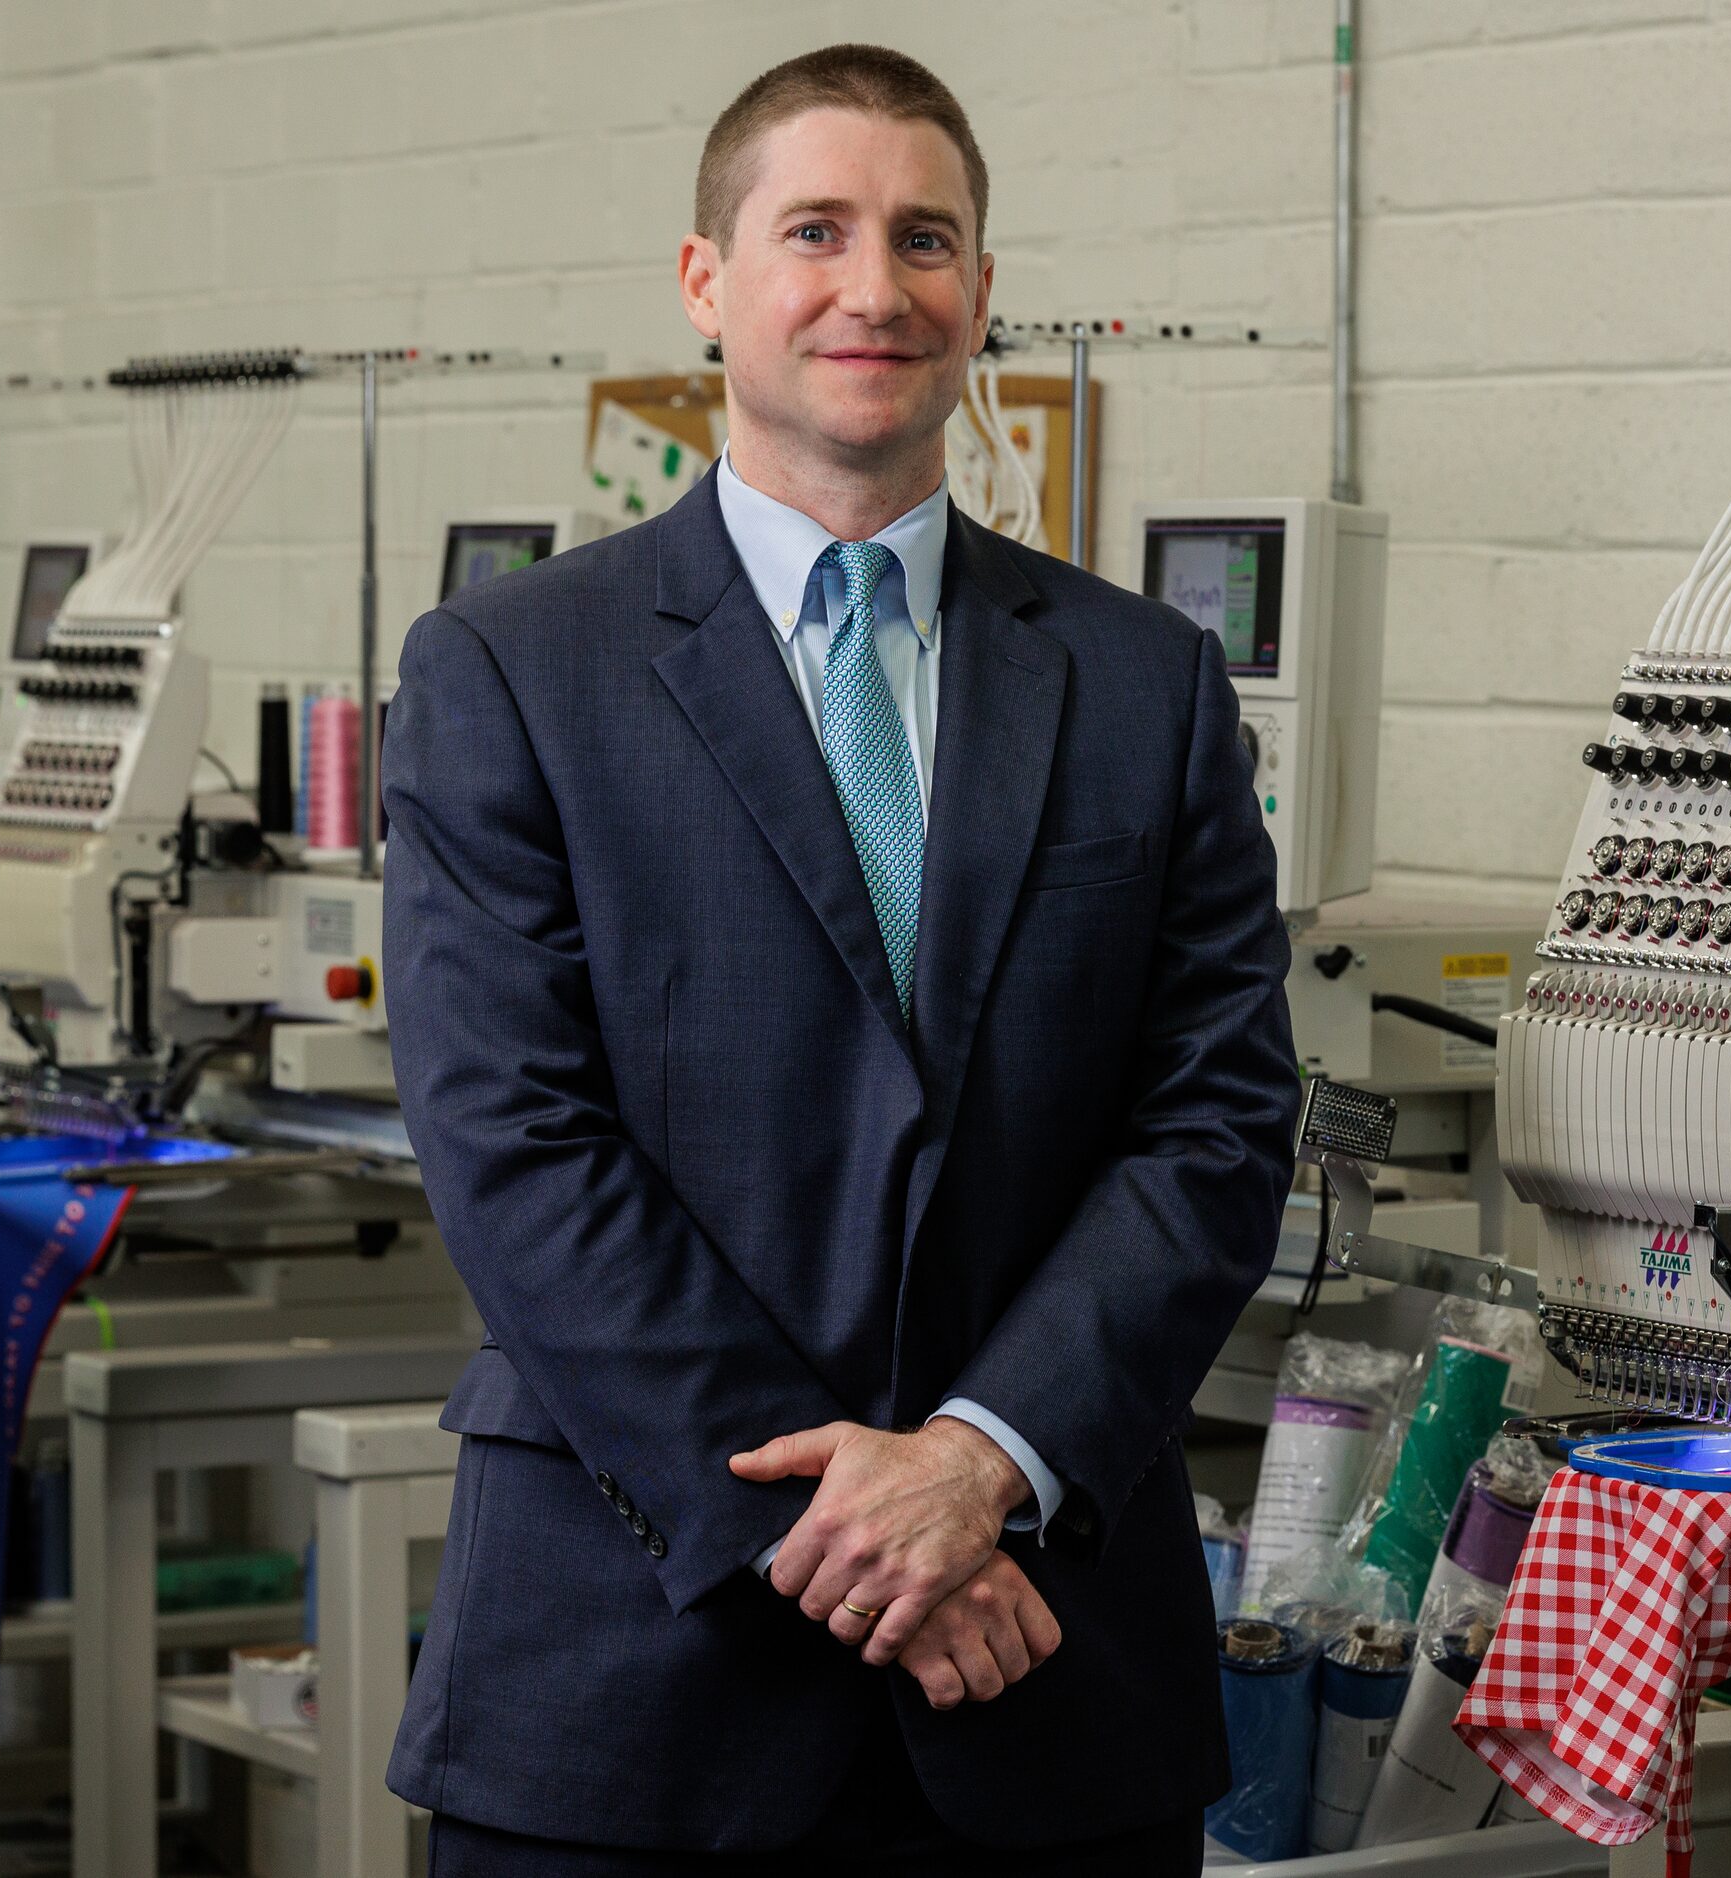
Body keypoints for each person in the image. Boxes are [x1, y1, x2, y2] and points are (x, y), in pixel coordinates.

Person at [380, 42, 1299, 1875]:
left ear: (981, 295)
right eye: (814, 230)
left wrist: (977, 1459)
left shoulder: (1141, 683)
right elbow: (513, 1141)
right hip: (639, 1669)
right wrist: (860, 1532)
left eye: (926, 239)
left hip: (1043, 1679)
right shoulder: (511, 669)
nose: (874, 289)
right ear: (707, 281)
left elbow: (1214, 1121)